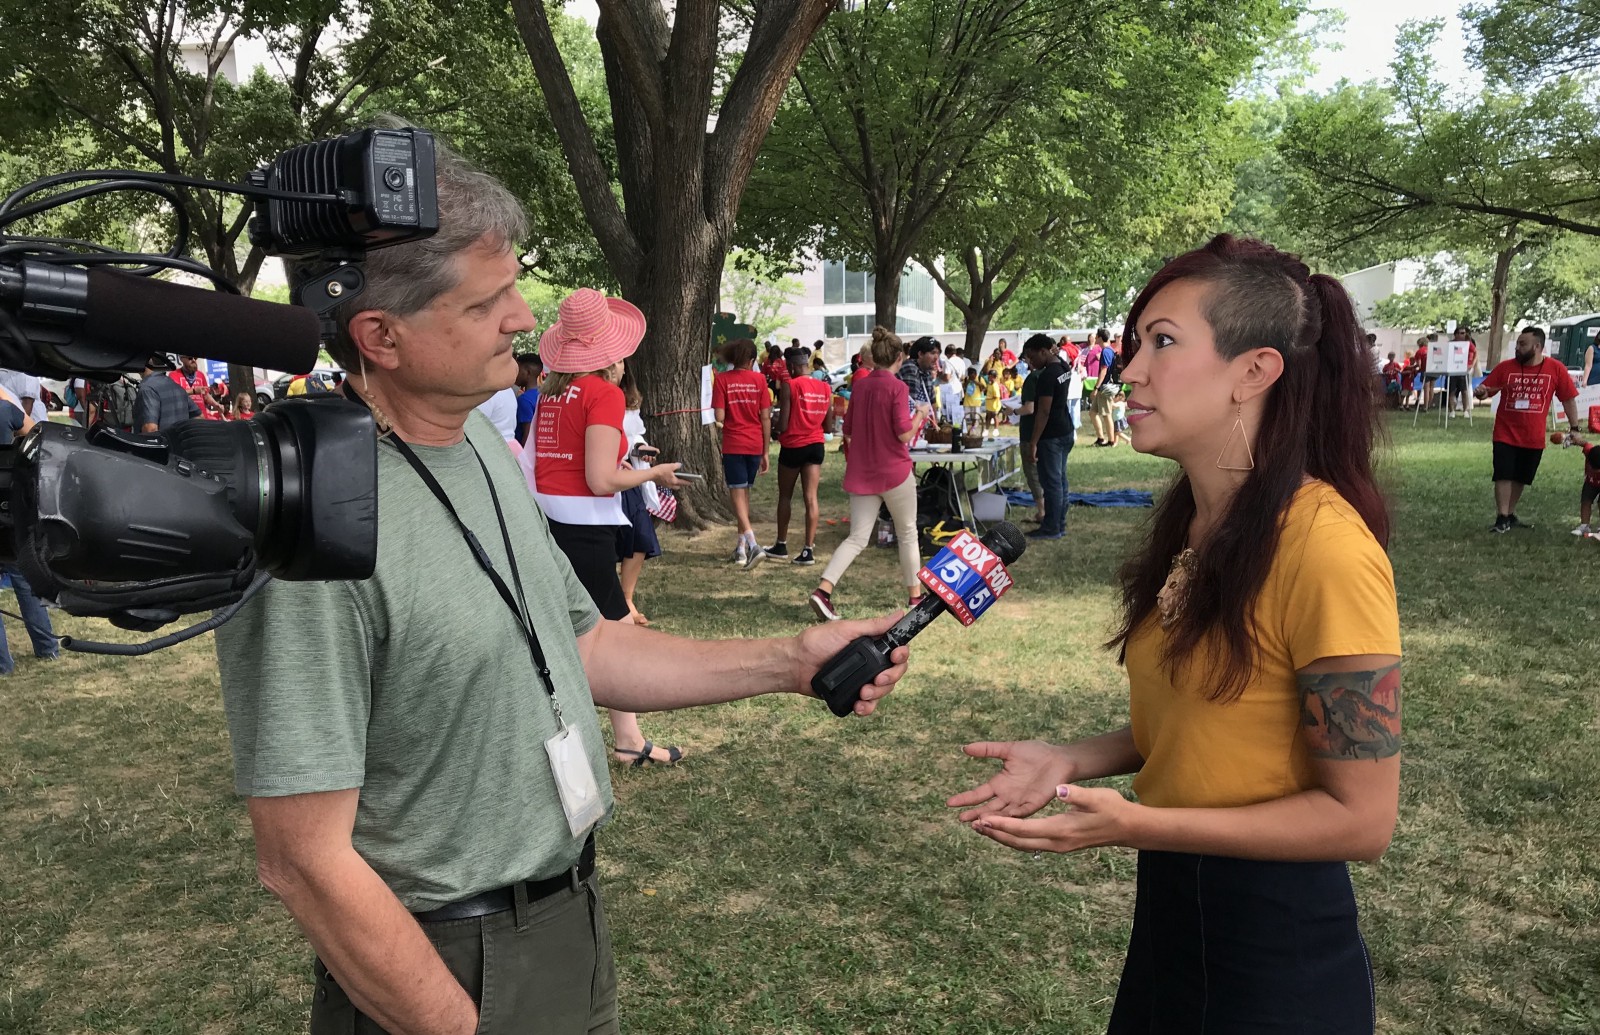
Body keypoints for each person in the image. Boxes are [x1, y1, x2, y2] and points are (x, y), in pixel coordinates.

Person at [213, 131, 911, 1035]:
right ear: (378, 336)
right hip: (434, 965)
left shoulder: (478, 448)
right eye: (489, 299)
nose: (521, 319)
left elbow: (587, 644)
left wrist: (791, 658)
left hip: (565, 919)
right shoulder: (309, 515)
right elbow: (301, 860)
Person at [950, 235, 1401, 1035]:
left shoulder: (1327, 548)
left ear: (1254, 371)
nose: (1129, 371)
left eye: (1163, 342)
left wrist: (1136, 823)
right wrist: (1072, 758)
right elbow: (1209, 724)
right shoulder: (1199, 526)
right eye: (1135, 345)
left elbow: (1360, 819)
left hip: (1276, 955)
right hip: (1170, 927)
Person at [529, 287, 689, 769]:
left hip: (546, 521)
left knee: (565, 632)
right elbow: (601, 481)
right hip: (584, 528)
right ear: (610, 353)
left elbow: (553, 460)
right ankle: (626, 741)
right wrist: (653, 474)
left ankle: (621, 736)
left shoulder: (552, 390)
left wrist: (628, 459)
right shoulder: (604, 394)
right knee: (616, 638)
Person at [809, 326, 923, 621]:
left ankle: (823, 590)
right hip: (895, 473)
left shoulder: (859, 387)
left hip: (863, 474)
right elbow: (903, 434)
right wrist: (920, 415)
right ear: (899, 357)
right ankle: (915, 598)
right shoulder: (898, 388)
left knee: (857, 538)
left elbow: (847, 431)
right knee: (908, 533)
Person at [1475, 326, 1584, 532]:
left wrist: (1575, 427)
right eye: (1517, 343)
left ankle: (1509, 514)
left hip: (1533, 435)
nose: (1517, 347)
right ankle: (1502, 517)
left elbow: (1568, 399)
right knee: (1503, 473)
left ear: (1537, 347)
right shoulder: (1506, 368)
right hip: (1505, 432)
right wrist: (1481, 392)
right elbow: (1486, 391)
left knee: (1521, 477)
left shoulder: (1556, 369)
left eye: (1522, 344)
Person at [0, 384, 58, 671]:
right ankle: (47, 647)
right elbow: (36, 433)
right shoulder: (6, 410)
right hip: (8, 501)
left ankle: (2, 663)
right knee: (23, 575)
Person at [766, 346, 831, 565]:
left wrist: (774, 427)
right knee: (811, 498)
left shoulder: (790, 386)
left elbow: (783, 424)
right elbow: (829, 426)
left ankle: (781, 545)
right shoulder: (824, 387)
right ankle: (807, 550)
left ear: (792, 366)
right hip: (816, 445)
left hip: (793, 445)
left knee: (785, 496)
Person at [713, 337, 772, 567]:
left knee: (737, 496)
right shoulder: (760, 380)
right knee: (744, 495)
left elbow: (719, 417)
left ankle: (753, 543)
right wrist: (766, 451)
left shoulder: (722, 380)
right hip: (755, 443)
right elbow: (766, 417)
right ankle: (741, 548)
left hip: (734, 443)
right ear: (752, 360)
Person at [616, 366, 661, 624]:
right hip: (605, 478)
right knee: (610, 540)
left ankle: (627, 597)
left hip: (629, 478)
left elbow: (633, 436)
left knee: (640, 536)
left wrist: (641, 449)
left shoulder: (628, 400)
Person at [1021, 334, 1073, 540]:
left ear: (1044, 351)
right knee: (1060, 480)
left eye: (1032, 357)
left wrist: (1033, 442)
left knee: (1051, 483)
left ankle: (1051, 527)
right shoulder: (1063, 367)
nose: (1030, 362)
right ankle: (1059, 522)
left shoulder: (1047, 376)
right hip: (1066, 429)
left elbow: (1043, 411)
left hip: (1051, 435)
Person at [135, 353, 199, 432]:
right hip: (180, 443)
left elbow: (150, 429)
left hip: (160, 443)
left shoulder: (147, 389)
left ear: (149, 360)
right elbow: (199, 417)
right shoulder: (178, 388)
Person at [1016, 362, 1045, 524]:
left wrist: (1013, 411)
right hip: (1048, 432)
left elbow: (1029, 408)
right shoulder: (1054, 373)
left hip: (1030, 433)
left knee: (1033, 472)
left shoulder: (1033, 378)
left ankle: (1042, 511)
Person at [1556, 433, 1600, 537]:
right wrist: (1572, 438)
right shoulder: (1589, 451)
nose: (1596, 471)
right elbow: (1584, 443)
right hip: (1590, 482)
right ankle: (1584, 526)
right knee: (1585, 500)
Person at [1089, 328, 1121, 446]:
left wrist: (1097, 388)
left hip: (1105, 387)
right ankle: (1100, 438)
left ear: (1100, 338)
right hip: (1104, 386)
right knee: (1093, 412)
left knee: (1106, 414)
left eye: (1097, 336)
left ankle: (1111, 441)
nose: (1095, 338)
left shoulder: (1106, 351)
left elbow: (1104, 370)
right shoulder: (1108, 350)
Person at [898, 336, 940, 417]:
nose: (936, 357)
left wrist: (935, 424)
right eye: (932, 353)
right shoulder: (910, 369)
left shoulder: (926, 371)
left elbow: (932, 401)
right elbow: (911, 407)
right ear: (920, 354)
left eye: (938, 353)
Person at [172, 355, 222, 420]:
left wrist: (216, 404)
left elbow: (206, 395)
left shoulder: (200, 375)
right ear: (182, 359)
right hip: (185, 418)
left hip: (202, 418)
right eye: (190, 358)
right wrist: (193, 391)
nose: (193, 360)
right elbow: (175, 394)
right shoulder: (174, 375)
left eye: (195, 358)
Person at [514, 352, 544, 445]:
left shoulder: (524, 400)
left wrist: (522, 457)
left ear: (527, 372)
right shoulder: (543, 395)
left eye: (517, 370)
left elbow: (527, 434)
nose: (515, 373)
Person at [1447, 326, 1477, 414]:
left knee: (1464, 391)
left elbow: (1475, 352)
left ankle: (1465, 410)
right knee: (1451, 391)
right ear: (1456, 334)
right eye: (1461, 333)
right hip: (1452, 370)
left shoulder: (1468, 344)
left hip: (1464, 370)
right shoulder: (1450, 344)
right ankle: (1452, 411)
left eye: (1465, 333)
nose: (1464, 335)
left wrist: (1472, 364)